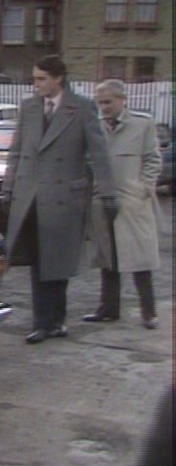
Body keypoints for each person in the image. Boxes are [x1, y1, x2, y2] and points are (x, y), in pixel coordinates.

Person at [1, 54, 118, 344]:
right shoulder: (28, 108)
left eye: (41, 79)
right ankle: (42, 322)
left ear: (58, 79)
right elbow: (16, 151)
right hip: (30, 195)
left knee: (58, 260)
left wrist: (108, 193)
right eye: (35, 78)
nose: (36, 84)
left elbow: (99, 154)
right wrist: (8, 186)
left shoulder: (81, 108)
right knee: (39, 259)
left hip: (65, 197)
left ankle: (57, 320)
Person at [83, 79, 162, 329]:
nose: (104, 107)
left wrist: (143, 188)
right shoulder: (95, 127)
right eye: (100, 103)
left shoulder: (142, 124)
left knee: (141, 259)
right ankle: (108, 309)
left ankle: (149, 312)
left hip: (132, 201)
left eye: (108, 102)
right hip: (102, 199)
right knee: (108, 257)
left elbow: (152, 159)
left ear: (122, 100)